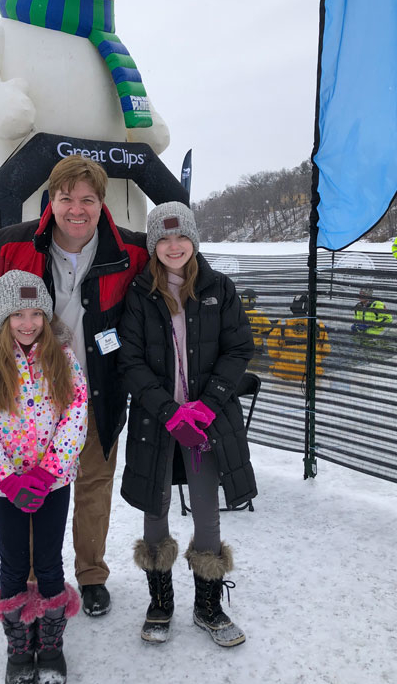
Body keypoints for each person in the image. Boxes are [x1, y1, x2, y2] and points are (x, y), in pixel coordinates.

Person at [0, 155, 150, 617]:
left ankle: (91, 574)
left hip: (97, 395)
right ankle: (26, 579)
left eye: (87, 199)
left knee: (93, 488)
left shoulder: (129, 253)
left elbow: (174, 278)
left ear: (102, 203)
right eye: (66, 198)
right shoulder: (7, 246)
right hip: (25, 405)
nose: (76, 209)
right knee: (28, 489)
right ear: (51, 200)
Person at [117, 202, 256, 647]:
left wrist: (206, 404)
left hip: (206, 425)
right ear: (153, 244)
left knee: (207, 513)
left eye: (180, 238)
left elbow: (239, 350)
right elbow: (129, 361)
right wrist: (169, 410)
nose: (173, 246)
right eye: (163, 238)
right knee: (155, 512)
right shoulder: (139, 293)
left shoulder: (219, 288)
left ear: (193, 240)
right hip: (155, 423)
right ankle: (160, 603)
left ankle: (208, 606)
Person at [0, 270, 87, 684]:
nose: (29, 323)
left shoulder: (63, 359)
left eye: (36, 313)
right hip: (7, 487)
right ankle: (20, 646)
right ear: (3, 318)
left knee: (49, 562)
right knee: (14, 563)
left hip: (53, 483)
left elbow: (75, 416)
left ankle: (50, 643)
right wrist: (8, 478)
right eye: (18, 314)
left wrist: (50, 469)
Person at [267, 293, 330, 383]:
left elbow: (272, 350)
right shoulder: (317, 324)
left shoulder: (282, 323)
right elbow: (326, 351)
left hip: (285, 372)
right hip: (311, 372)